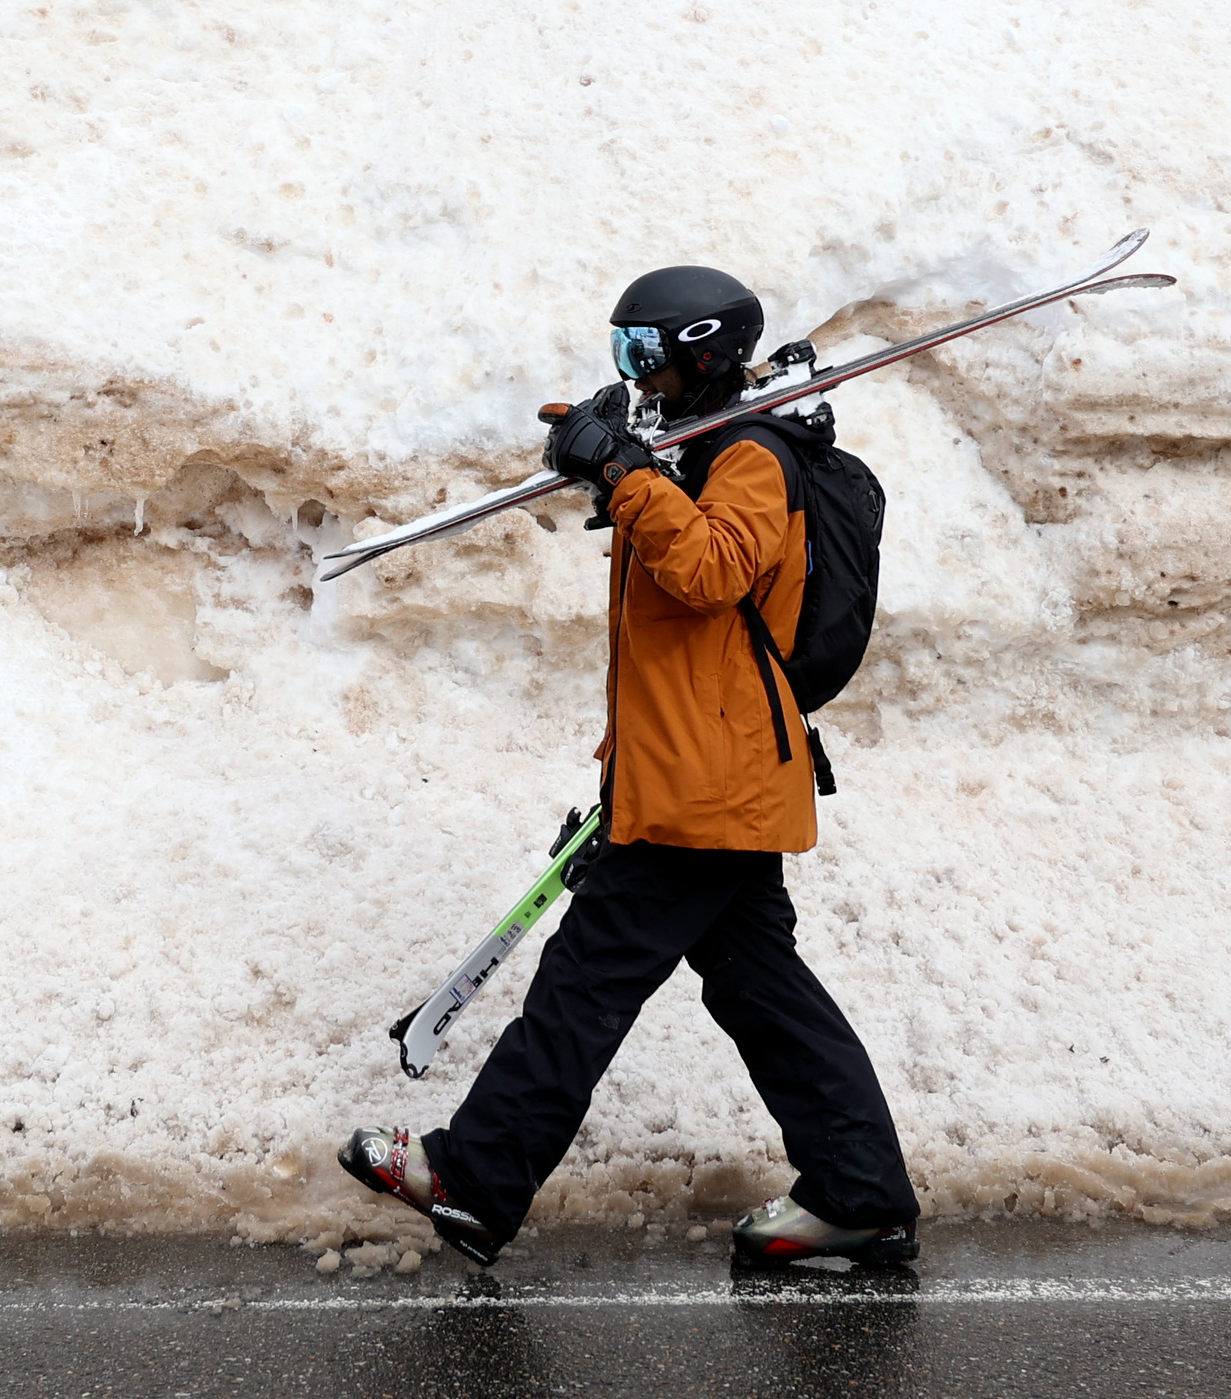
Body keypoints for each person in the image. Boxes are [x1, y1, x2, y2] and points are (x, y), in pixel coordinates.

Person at [338, 265, 920, 1270]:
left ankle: (477, 1176)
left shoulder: (754, 455)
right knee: (760, 990)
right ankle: (860, 1194)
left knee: (584, 981)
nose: (634, 373)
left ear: (703, 349)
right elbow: (675, 615)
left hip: (710, 782)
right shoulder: (700, 450)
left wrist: (626, 471)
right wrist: (615, 460)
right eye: (622, 356)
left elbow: (707, 570)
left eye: (643, 355)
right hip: (699, 771)